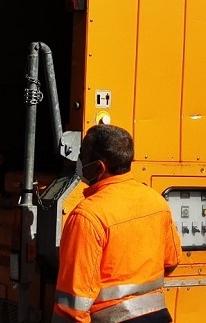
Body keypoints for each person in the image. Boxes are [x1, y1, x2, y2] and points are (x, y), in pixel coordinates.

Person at [53, 124, 183, 323]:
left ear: (99, 167)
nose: (78, 162)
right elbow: (171, 261)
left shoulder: (87, 216)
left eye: (82, 156)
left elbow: (73, 305)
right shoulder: (156, 201)